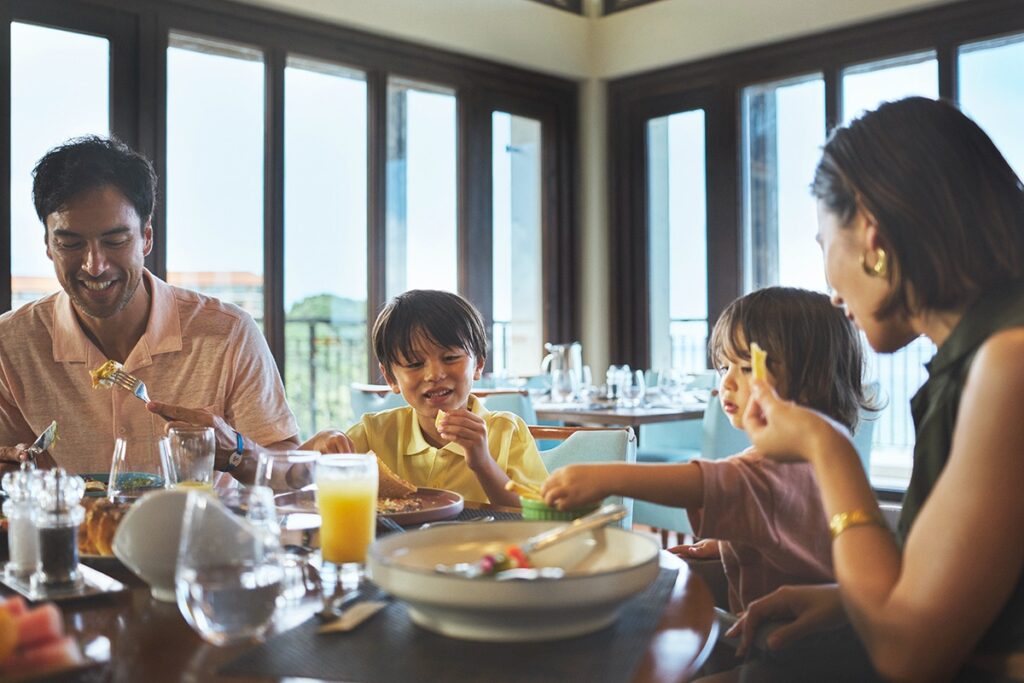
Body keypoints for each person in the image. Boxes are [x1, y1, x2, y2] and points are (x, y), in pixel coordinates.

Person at [729, 97, 1024, 682]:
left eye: (822, 244)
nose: (831, 293)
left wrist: (825, 445)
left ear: (869, 231)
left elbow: (907, 655)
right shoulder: (981, 351)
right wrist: (844, 599)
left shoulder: (1007, 361)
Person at [542, 287, 871, 615]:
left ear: (812, 380)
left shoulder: (767, 468)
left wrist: (602, 476)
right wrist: (733, 543)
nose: (725, 383)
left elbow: (706, 483)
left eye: (745, 367)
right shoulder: (831, 464)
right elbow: (794, 537)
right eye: (724, 367)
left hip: (781, 649)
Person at [0, 135, 299, 479]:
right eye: (70, 243)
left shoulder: (228, 332)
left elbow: (292, 476)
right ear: (49, 246)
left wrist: (236, 452)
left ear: (146, 238)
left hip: (203, 531)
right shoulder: (12, 344)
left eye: (115, 241)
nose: (94, 265)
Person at [301, 289, 548, 506]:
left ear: (478, 364)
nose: (435, 374)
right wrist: (316, 448)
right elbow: (292, 482)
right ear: (390, 378)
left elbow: (536, 516)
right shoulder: (374, 433)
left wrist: (482, 462)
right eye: (414, 364)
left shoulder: (507, 431)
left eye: (450, 358)